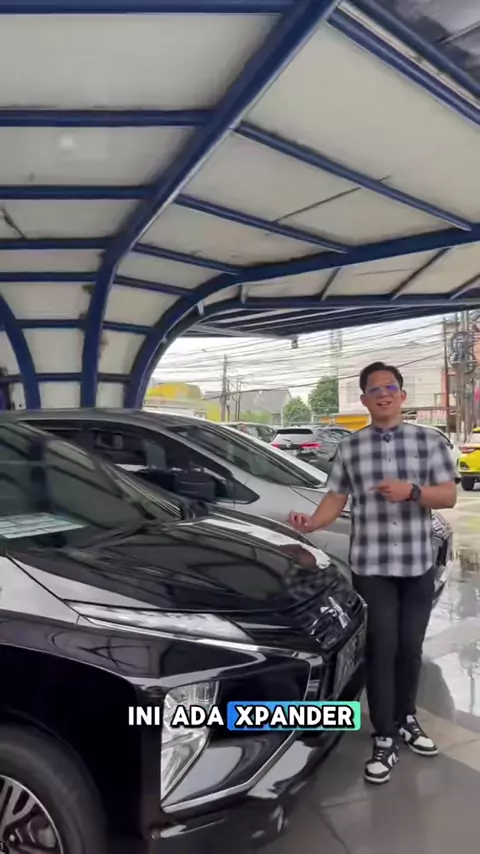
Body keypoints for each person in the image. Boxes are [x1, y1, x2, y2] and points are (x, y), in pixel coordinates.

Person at [288, 361, 457, 784]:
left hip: (416, 563)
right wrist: (312, 522)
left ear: (402, 395)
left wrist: (411, 491)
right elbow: (336, 496)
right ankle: (384, 735)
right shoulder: (351, 448)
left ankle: (407, 718)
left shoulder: (428, 442)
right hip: (372, 565)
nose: (383, 394)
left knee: (410, 648)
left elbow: (448, 496)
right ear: (364, 399)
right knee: (382, 648)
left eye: (390, 387)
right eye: (374, 389)